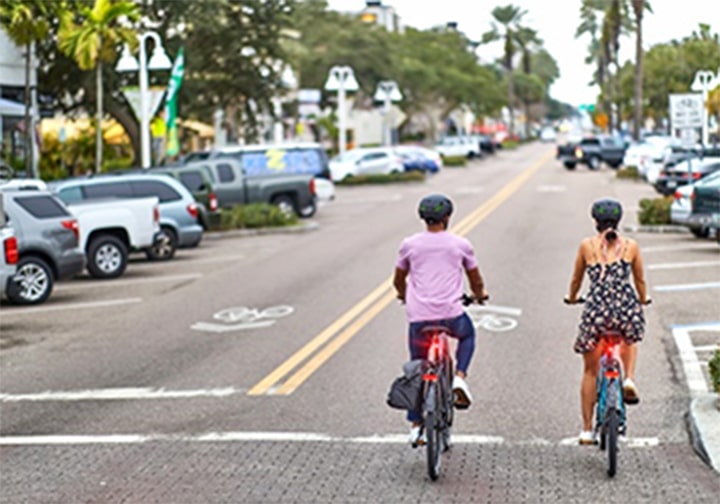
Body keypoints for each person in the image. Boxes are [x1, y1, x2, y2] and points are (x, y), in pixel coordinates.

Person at [393, 194, 488, 446]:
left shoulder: (409, 244)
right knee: (467, 335)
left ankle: (415, 426)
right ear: (447, 217)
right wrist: (479, 295)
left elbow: (398, 278)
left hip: (419, 318)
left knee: (418, 367)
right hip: (451, 314)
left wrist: (403, 295)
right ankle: (459, 377)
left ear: (423, 217)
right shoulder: (460, 244)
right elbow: (475, 279)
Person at [565, 198, 649, 445]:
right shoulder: (631, 246)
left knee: (590, 371)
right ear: (619, 220)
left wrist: (572, 298)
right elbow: (640, 280)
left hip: (597, 312)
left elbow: (576, 279)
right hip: (624, 309)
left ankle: (587, 430)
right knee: (631, 336)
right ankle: (629, 378)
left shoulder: (587, 246)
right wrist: (642, 299)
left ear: (595, 222)